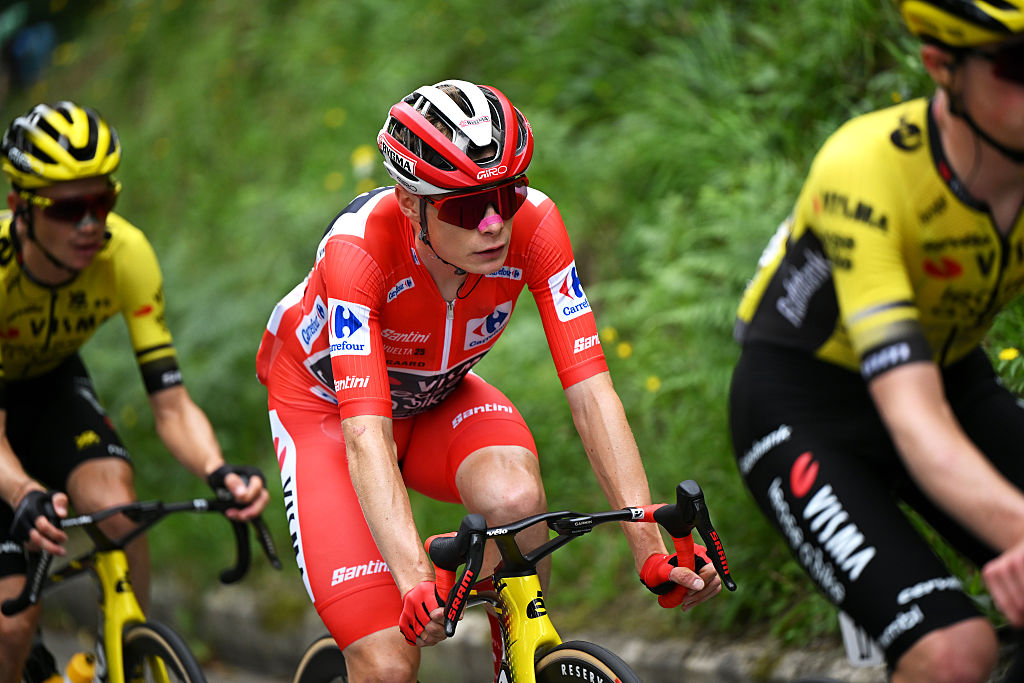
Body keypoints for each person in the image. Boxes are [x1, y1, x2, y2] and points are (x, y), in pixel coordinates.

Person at [257, 78, 723, 682]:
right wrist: (413, 584)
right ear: (409, 202)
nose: (492, 224)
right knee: (389, 662)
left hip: (437, 398)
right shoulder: (359, 254)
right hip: (327, 413)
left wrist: (649, 549)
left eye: (506, 196)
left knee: (514, 499)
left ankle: (518, 660)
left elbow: (591, 393)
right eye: (463, 206)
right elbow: (364, 435)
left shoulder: (536, 226)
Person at [729, 2, 1024, 681]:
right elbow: (915, 421)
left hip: (953, 378)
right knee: (953, 648)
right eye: (1018, 64)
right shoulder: (867, 167)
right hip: (803, 408)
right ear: (941, 68)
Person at [0, 101, 270, 683]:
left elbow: (170, 404)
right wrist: (22, 490)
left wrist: (218, 470)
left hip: (48, 386)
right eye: (69, 208)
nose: (90, 225)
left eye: (102, 202)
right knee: (11, 628)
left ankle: (123, 659)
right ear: (20, 206)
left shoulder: (125, 254)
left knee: (118, 508)